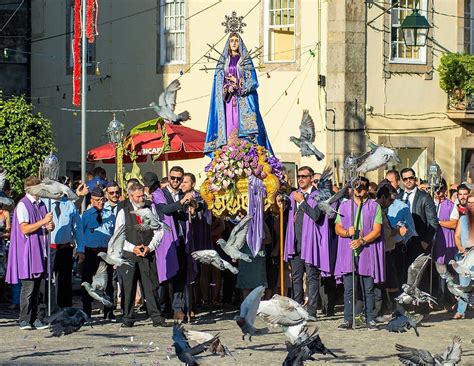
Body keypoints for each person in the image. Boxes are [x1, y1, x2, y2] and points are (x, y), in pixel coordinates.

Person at [204, 31, 273, 155]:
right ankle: (229, 151)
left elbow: (253, 81)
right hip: (228, 100)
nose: (234, 43)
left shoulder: (245, 61)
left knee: (240, 126)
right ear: (228, 44)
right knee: (229, 126)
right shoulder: (223, 62)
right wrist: (226, 87)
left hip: (243, 100)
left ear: (240, 43)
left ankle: (244, 151)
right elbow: (218, 83)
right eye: (232, 41)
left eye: (236, 40)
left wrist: (238, 83)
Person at [334, 177, 384, 331]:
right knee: (349, 287)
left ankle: (370, 318)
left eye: (362, 187)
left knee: (368, 287)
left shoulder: (374, 207)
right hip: (348, 249)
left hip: (366, 249)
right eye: (356, 187)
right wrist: (346, 232)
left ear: (367, 188)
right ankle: (348, 319)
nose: (359, 189)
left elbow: (377, 230)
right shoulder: (344, 207)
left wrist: (362, 240)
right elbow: (338, 228)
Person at [115, 183, 168, 327]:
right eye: (138, 196)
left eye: (142, 195)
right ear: (131, 197)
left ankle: (156, 317)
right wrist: (133, 248)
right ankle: (128, 317)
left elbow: (159, 231)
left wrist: (150, 247)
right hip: (129, 254)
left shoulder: (150, 209)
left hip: (147, 253)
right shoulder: (123, 212)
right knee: (128, 286)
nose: (141, 198)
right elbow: (119, 236)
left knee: (150, 286)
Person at [6, 176, 54, 330]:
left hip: (40, 250)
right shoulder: (23, 205)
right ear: (31, 189)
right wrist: (43, 221)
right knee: (28, 287)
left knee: (38, 288)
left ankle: (36, 318)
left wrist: (49, 227)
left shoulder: (41, 205)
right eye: (39, 187)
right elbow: (24, 228)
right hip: (27, 252)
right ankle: (24, 319)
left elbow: (44, 228)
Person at [284, 166, 326, 321]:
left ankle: (312, 311)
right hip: (295, 243)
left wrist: (302, 202)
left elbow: (316, 216)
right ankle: (297, 309)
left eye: (304, 176)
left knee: (312, 277)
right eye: (299, 176)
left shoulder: (317, 196)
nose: (300, 179)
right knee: (296, 278)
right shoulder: (293, 195)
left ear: (310, 178)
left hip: (310, 244)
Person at [153, 166, 194, 321]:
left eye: (179, 179)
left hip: (182, 240)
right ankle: (162, 308)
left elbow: (199, 207)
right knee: (165, 276)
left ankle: (178, 309)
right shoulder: (159, 194)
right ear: (168, 177)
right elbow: (165, 210)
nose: (175, 181)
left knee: (180, 277)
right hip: (166, 242)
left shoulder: (185, 194)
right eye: (173, 178)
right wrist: (181, 202)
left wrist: (195, 206)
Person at [76, 187, 115, 319]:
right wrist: (80, 250)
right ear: (92, 200)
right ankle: (87, 310)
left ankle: (109, 310)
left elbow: (114, 233)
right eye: (98, 200)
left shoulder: (109, 215)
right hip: (90, 252)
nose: (101, 203)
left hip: (105, 252)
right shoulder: (86, 215)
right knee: (87, 281)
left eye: (102, 200)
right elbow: (80, 234)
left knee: (109, 282)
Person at [399, 168, 439, 289]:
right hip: (401, 242)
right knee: (403, 273)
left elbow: (433, 222)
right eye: (405, 179)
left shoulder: (424, 197)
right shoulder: (398, 196)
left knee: (420, 276)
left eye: (411, 178)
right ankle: (405, 304)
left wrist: (426, 241)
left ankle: (422, 307)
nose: (408, 181)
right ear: (402, 180)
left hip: (419, 241)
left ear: (415, 179)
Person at [48, 180, 81, 310]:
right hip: (49, 248)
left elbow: (77, 228)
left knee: (64, 280)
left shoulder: (69, 205)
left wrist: (80, 248)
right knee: (48, 281)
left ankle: (65, 307)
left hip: (65, 247)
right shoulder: (45, 204)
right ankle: (48, 307)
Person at [452, 191, 474, 319]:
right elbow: (457, 236)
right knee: (464, 285)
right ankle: (461, 311)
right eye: (469, 203)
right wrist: (460, 248)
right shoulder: (463, 218)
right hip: (465, 255)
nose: (470, 205)